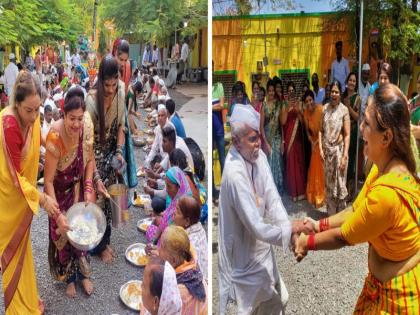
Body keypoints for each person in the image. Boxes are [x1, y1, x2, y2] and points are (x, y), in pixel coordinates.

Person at [295, 83, 420, 314]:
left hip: (397, 297)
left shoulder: (387, 194)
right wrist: (317, 224)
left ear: (387, 137)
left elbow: (345, 235)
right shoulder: (383, 169)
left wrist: (306, 242)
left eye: (367, 123)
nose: (360, 128)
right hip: (380, 283)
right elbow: (356, 209)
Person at [218, 104, 310, 314]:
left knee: (279, 300)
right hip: (241, 257)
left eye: (259, 136)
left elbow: (273, 199)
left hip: (262, 250)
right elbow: (255, 226)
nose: (258, 143)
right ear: (236, 142)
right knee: (247, 307)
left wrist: (289, 231)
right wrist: (290, 230)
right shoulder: (233, 174)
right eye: (252, 139)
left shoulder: (259, 157)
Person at [0, 71, 67, 314]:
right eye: (28, 110)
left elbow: (42, 138)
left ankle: (27, 300)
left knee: (24, 252)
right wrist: (43, 198)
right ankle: (18, 310)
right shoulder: (8, 124)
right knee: (13, 252)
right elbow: (15, 178)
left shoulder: (33, 115)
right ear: (16, 103)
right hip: (8, 198)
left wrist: (59, 150)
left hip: (22, 194)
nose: (33, 116)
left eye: (37, 109)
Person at [44, 87, 95, 298]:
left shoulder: (86, 126)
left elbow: (90, 159)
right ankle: (69, 278)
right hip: (58, 193)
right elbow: (46, 181)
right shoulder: (55, 137)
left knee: (81, 231)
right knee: (63, 236)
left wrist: (89, 187)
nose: (76, 124)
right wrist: (57, 214)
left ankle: (83, 275)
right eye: (71, 118)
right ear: (63, 115)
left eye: (79, 118)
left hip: (78, 188)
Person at [85, 56, 126, 263]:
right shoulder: (91, 101)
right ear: (100, 81)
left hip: (112, 152)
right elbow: (87, 145)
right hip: (94, 155)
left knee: (110, 198)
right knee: (98, 200)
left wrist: (119, 151)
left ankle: (105, 240)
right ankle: (97, 247)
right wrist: (96, 176)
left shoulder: (122, 89)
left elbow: (121, 127)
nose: (111, 90)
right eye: (106, 85)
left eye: (114, 84)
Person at [159, 226, 208, 315]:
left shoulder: (178, 291)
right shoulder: (190, 260)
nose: (158, 249)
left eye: (161, 246)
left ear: (173, 260)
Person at [320, 80, 350, 214]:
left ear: (340, 93)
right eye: (332, 91)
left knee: (340, 185)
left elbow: (347, 134)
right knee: (329, 187)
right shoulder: (324, 108)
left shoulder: (344, 110)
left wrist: (344, 156)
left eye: (336, 92)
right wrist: (321, 149)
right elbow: (321, 130)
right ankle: (330, 218)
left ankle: (341, 221)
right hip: (327, 154)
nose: (334, 94)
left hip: (339, 153)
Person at [146, 167, 192, 244]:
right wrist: (154, 240)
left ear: (179, 187)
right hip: (168, 234)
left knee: (153, 227)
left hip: (174, 243)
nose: (167, 190)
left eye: (169, 187)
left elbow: (175, 235)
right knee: (153, 226)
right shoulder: (176, 199)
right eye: (166, 186)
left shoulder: (185, 204)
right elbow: (166, 217)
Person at [173, 195, 208, 281]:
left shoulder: (188, 244)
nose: (174, 213)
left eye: (177, 212)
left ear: (187, 221)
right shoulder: (198, 228)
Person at [260, 80, 285, 194]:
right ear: (267, 92)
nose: (271, 93)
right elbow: (261, 127)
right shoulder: (263, 105)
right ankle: (270, 190)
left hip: (277, 138)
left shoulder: (278, 104)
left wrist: (282, 142)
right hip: (267, 140)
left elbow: (281, 124)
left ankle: (278, 188)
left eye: (272, 90)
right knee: (269, 165)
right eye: (269, 91)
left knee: (278, 163)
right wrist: (265, 143)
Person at [283, 81, 306, 201]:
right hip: (288, 137)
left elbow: (303, 122)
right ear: (287, 92)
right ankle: (293, 192)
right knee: (291, 163)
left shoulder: (300, 104)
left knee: (299, 162)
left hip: (298, 139)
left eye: (293, 90)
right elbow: (282, 122)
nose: (291, 92)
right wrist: (287, 108)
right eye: (289, 90)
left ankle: (301, 191)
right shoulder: (284, 104)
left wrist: (299, 111)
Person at [303, 90, 325, 208]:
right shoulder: (305, 113)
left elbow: (324, 129)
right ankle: (314, 194)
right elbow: (307, 131)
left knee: (319, 167)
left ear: (314, 99)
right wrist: (311, 140)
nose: (309, 103)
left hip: (322, 141)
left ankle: (321, 195)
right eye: (306, 101)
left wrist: (318, 142)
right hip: (314, 142)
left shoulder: (321, 109)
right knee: (314, 167)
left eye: (310, 100)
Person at [342, 72, 362, 198]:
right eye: (350, 80)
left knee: (350, 160)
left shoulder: (358, 98)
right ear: (347, 81)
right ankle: (341, 189)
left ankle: (349, 192)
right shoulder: (342, 95)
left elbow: (357, 117)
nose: (352, 83)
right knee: (342, 159)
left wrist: (349, 107)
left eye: (354, 81)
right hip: (342, 131)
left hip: (353, 131)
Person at [144, 105, 175, 169]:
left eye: (162, 115)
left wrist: (161, 165)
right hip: (162, 157)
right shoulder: (158, 128)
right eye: (159, 116)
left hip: (170, 160)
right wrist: (146, 163)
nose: (160, 118)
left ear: (166, 116)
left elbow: (171, 152)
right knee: (149, 155)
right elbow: (154, 147)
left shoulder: (170, 127)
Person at [212, 68, 225, 201]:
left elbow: (221, 106)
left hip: (219, 129)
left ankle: (225, 190)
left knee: (222, 160)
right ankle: (214, 192)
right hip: (211, 130)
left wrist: (211, 107)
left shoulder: (219, 86)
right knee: (211, 161)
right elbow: (218, 106)